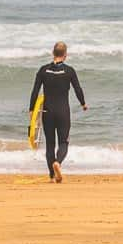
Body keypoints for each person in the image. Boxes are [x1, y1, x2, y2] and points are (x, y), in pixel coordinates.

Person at [29, 41, 88, 182]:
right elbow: (77, 89)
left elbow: (35, 91)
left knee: (50, 144)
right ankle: (58, 163)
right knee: (63, 142)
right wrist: (83, 103)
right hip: (63, 112)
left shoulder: (43, 70)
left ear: (53, 53)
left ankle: (51, 176)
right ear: (65, 55)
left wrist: (32, 109)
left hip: (47, 112)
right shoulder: (69, 71)